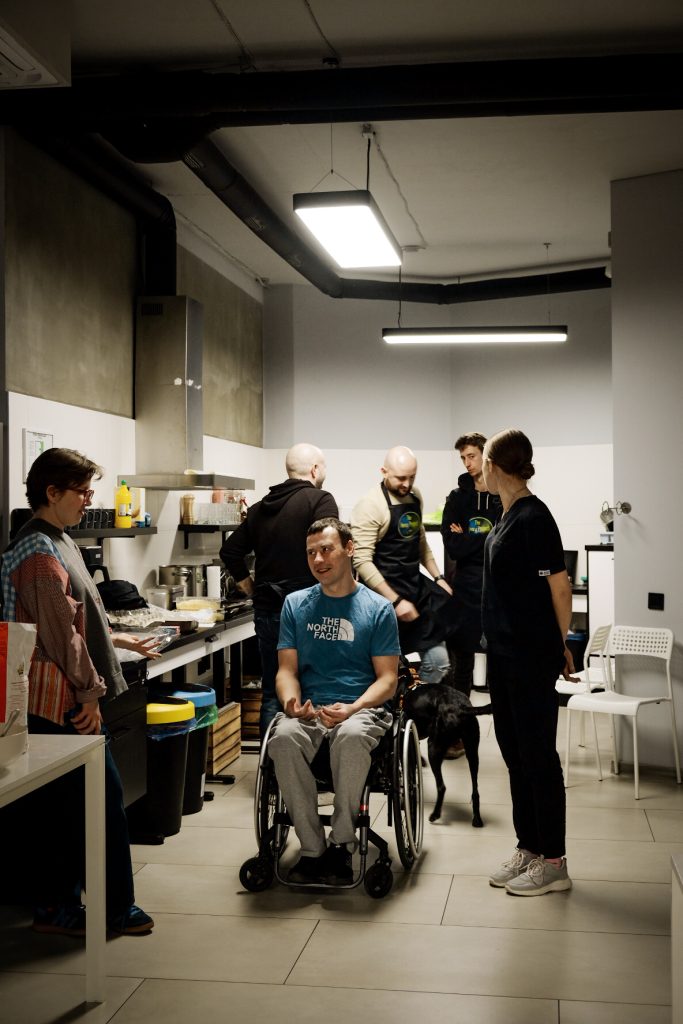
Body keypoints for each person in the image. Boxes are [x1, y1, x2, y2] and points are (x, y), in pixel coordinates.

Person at [0, 448, 155, 936]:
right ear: (52, 492)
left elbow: (75, 615)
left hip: (62, 696)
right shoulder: (38, 553)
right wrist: (89, 694)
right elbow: (60, 636)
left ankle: (57, 906)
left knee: (64, 809)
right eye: (83, 492)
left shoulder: (58, 539)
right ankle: (113, 909)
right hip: (58, 701)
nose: (89, 500)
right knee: (101, 803)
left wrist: (118, 638)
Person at [268, 517, 400, 885]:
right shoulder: (296, 604)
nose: (318, 559)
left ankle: (342, 843)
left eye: (326, 549)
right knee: (282, 739)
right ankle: (312, 849)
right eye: (311, 552)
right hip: (310, 709)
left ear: (349, 548)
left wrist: (354, 708)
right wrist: (291, 702)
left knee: (352, 737)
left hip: (361, 708)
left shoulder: (377, 608)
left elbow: (388, 680)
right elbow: (286, 670)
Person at [481, 429, 574, 897]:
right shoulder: (505, 515)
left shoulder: (535, 518)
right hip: (502, 654)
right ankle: (530, 847)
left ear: (493, 465)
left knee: (538, 755)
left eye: (482, 460)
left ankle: (554, 862)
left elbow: (560, 587)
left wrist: (561, 644)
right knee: (515, 754)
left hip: (530, 655)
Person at [220, 442, 338, 737]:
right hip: (310, 612)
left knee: (274, 691)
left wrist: (250, 587)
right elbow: (330, 550)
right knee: (314, 689)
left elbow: (230, 551)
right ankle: (308, 757)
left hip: (269, 611)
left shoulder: (260, 508)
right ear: (315, 470)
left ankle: (270, 761)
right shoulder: (320, 501)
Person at [351, 445, 451, 684]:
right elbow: (361, 561)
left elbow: (420, 541)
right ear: (384, 471)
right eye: (401, 478)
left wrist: (438, 577)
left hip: (414, 588)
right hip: (381, 598)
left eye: (412, 477)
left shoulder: (415, 496)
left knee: (438, 662)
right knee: (386, 672)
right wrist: (395, 601)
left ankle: (418, 702)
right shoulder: (370, 505)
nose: (407, 484)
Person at [441, 432, 502, 694]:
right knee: (462, 658)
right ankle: (460, 709)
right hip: (465, 586)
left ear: (485, 455)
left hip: (495, 585)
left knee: (498, 657)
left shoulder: (501, 496)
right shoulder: (457, 498)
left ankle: (500, 710)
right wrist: (488, 536)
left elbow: (502, 547)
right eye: (463, 458)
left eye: (471, 456)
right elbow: (453, 548)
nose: (467, 463)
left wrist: (467, 536)